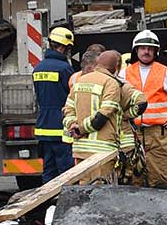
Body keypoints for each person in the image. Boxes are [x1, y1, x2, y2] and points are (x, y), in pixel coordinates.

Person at [122, 30, 167, 188]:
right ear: (136, 50)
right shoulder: (125, 73)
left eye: (150, 48)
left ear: (155, 51)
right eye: (143, 48)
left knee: (160, 177)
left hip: (158, 134)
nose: (146, 51)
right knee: (133, 178)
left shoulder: (166, 73)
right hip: (132, 133)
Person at [62, 50, 147, 179]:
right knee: (102, 187)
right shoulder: (112, 83)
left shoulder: (80, 81)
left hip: (80, 149)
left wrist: (72, 125)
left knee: (83, 187)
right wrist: (126, 115)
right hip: (103, 151)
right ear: (116, 67)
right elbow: (103, 115)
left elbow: (68, 109)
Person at [32, 27, 76, 181]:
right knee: (66, 172)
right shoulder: (65, 69)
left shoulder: (38, 68)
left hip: (43, 127)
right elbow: (72, 96)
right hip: (61, 126)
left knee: (49, 171)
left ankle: (47, 196)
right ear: (63, 47)